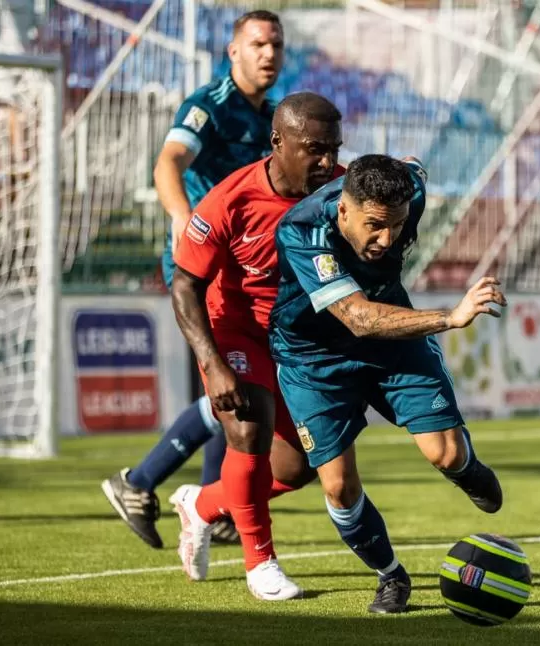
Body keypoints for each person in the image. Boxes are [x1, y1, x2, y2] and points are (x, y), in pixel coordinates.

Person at [277, 154, 503, 613]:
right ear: (343, 209)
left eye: (397, 226)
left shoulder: (409, 191)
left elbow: (415, 166)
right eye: (375, 225)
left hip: (392, 340)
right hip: (313, 358)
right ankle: (391, 576)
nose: (387, 239)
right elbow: (358, 318)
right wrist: (450, 318)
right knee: (338, 486)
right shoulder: (301, 231)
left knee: (447, 453)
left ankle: (466, 469)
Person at [100, 10, 286, 548]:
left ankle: (212, 500)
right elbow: (168, 163)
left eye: (275, 44)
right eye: (257, 44)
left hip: (246, 272)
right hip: (200, 265)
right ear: (234, 52)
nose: (268, 53)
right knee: (234, 383)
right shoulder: (210, 105)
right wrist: (182, 217)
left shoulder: (274, 115)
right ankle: (138, 482)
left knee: (234, 383)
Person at [167, 91, 343, 600]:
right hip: (236, 329)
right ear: (277, 142)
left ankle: (201, 506)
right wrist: (212, 362)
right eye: (314, 148)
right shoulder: (228, 200)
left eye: (333, 148)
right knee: (248, 430)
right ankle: (261, 565)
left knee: (297, 467)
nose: (326, 161)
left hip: (297, 338)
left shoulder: (339, 188)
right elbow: (184, 286)